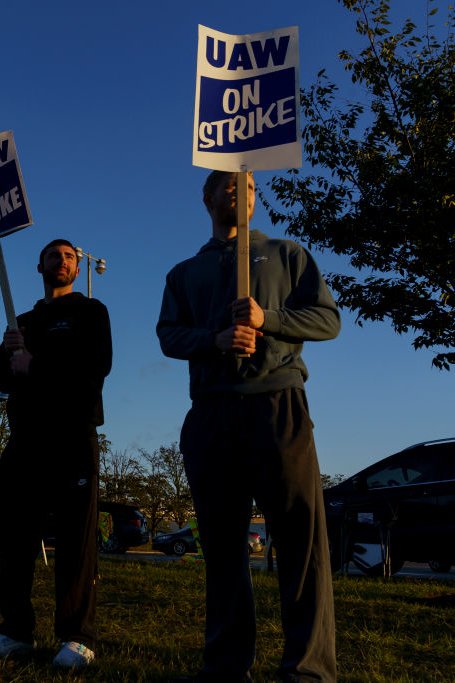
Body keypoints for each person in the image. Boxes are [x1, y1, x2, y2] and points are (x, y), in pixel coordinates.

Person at [156, 170, 340, 682]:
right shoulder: (184, 272)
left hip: (277, 406)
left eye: (252, 186)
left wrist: (269, 319)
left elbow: (327, 320)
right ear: (208, 197)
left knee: (302, 542)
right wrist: (213, 341)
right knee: (221, 545)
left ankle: (308, 670)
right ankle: (226, 665)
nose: (243, 191)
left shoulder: (287, 254)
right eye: (231, 184)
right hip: (212, 414)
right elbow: (168, 335)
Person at [0, 239, 112, 670]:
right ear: (40, 266)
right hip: (27, 437)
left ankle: (77, 636)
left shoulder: (91, 312)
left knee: (75, 538)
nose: (64, 261)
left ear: (77, 266)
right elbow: (1, 376)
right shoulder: (25, 320)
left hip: (72, 434)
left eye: (70, 256)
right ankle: (16, 631)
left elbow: (95, 365)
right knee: (15, 539)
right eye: (55, 255)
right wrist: (10, 352)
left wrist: (33, 365)